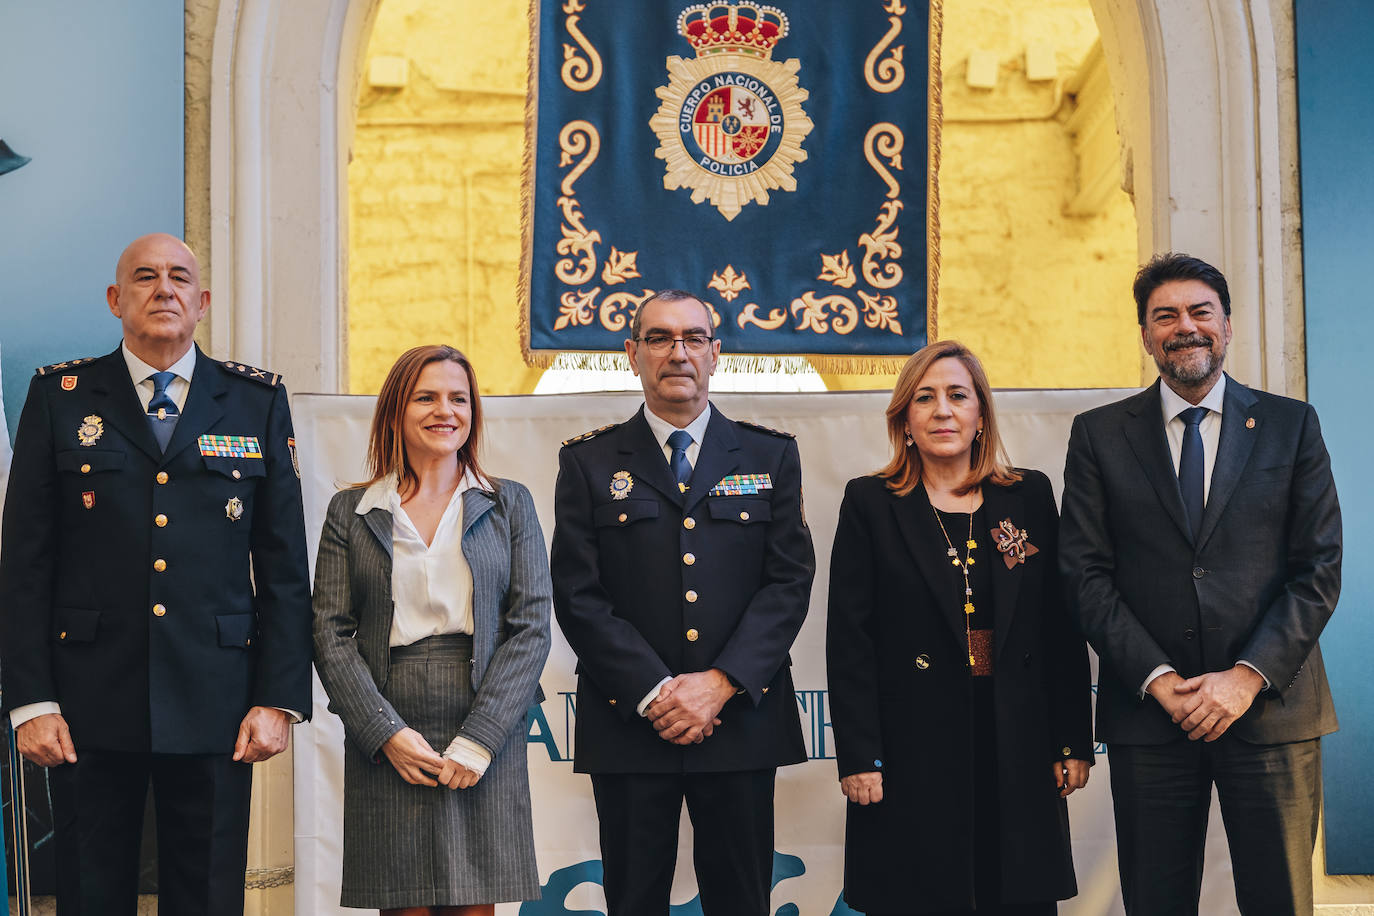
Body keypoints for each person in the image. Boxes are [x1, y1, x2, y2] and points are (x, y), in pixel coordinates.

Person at [0, 233, 312, 913]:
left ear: (202, 303)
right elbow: (25, 564)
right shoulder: (61, 397)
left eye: (178, 278)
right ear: (116, 300)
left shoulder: (253, 401)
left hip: (218, 701)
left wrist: (277, 697)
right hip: (85, 703)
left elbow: (285, 564)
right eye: (144, 277)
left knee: (205, 894)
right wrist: (32, 701)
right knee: (89, 892)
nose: (162, 288)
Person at [1059, 253, 1342, 915]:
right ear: (1146, 335)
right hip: (1152, 718)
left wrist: (1244, 678)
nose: (1184, 327)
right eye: (1166, 316)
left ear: (1228, 326)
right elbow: (1084, 574)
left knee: (1281, 902)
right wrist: (1158, 680)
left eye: (1199, 312)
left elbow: (1319, 568)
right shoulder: (1098, 436)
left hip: (1272, 713)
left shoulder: (1291, 425)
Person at [550, 289, 815, 916]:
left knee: (741, 901)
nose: (678, 353)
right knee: (635, 901)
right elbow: (578, 594)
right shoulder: (587, 462)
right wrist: (656, 693)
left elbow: (789, 583)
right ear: (632, 353)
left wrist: (719, 684)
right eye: (661, 339)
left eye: (694, 338)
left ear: (716, 354)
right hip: (631, 723)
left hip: (738, 721)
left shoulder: (768, 454)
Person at [827, 340, 1093, 916]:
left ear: (980, 415)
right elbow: (850, 640)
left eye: (957, 396)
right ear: (905, 419)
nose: (942, 411)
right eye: (924, 398)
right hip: (909, 746)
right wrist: (859, 756)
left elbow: (1060, 628)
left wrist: (1071, 738)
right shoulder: (870, 502)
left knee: (1014, 895)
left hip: (1016, 738)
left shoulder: (1028, 494)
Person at [312, 344, 550, 914]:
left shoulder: (509, 503)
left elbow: (531, 627)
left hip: (484, 713)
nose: (445, 410)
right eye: (426, 397)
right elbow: (329, 630)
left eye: (458, 398)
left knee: (475, 904)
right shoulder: (351, 510)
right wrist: (383, 733)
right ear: (397, 409)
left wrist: (481, 738)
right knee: (405, 905)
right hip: (388, 719)